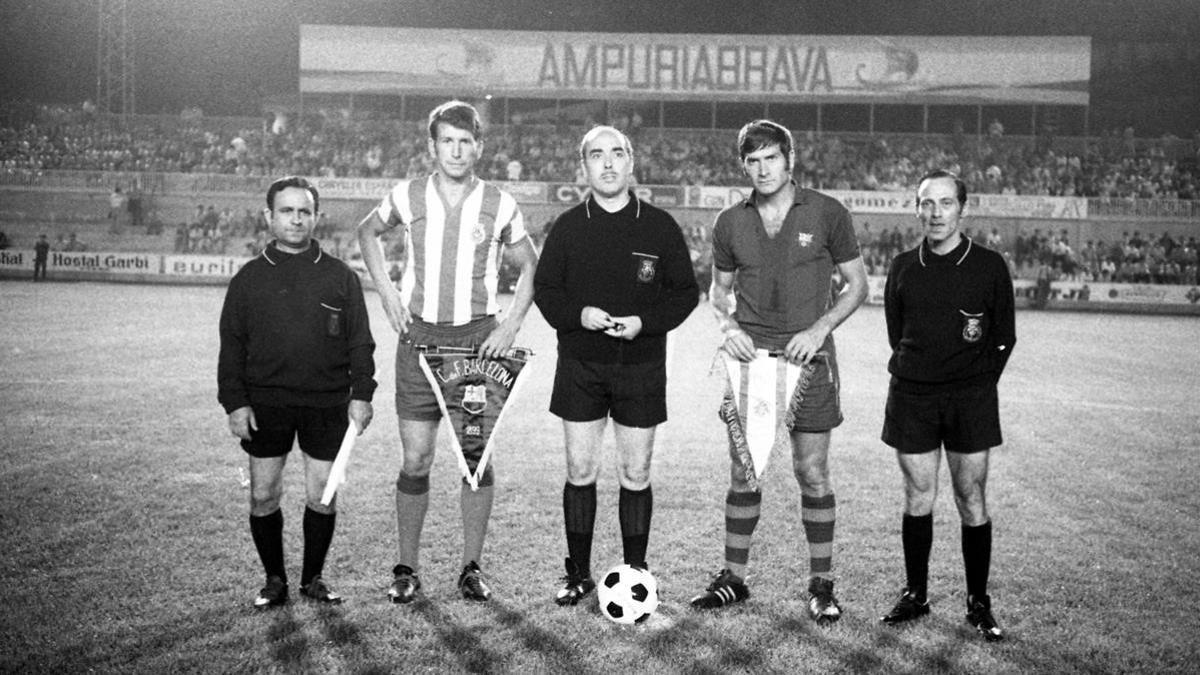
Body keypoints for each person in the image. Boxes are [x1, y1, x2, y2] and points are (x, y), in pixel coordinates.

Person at [356, 100, 539, 604]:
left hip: (477, 344)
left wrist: (512, 323)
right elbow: (366, 232)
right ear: (432, 146)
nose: (457, 151)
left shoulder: (499, 202)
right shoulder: (408, 194)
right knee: (416, 459)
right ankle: (406, 568)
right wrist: (388, 292)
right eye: (447, 141)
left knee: (474, 460)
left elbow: (530, 264)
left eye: (466, 141)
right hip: (418, 340)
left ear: (479, 147)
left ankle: (471, 568)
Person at [688, 120, 868, 623]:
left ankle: (822, 585)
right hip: (751, 365)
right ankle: (733, 579)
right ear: (743, 166)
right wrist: (728, 329)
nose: (762, 169)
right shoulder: (730, 221)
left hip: (809, 362)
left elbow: (857, 286)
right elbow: (718, 293)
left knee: (811, 473)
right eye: (752, 161)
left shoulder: (828, 212)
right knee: (744, 473)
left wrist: (818, 329)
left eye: (771, 158)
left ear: (790, 160)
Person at [533, 126, 698, 606]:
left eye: (617, 154)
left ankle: (635, 571)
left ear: (631, 163)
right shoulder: (567, 226)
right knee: (580, 469)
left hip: (641, 365)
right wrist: (578, 315)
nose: (607, 163)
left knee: (636, 472)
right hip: (582, 364)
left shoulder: (660, 225)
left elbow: (686, 293)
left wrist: (644, 322)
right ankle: (579, 573)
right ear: (583, 166)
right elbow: (547, 291)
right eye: (597, 155)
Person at [218, 176, 376, 609]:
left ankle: (313, 578)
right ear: (269, 216)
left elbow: (360, 342)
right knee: (263, 494)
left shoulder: (340, 276)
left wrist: (362, 395)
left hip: (326, 402)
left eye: (304, 211)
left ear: (316, 217)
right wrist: (235, 403)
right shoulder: (248, 280)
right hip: (265, 403)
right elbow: (231, 348)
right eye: (286, 211)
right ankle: (274, 580)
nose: (296, 219)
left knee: (322, 495)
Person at [878, 169, 1016, 641]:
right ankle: (916, 594)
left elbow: (1004, 335)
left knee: (970, 497)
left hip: (970, 399)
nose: (935, 213)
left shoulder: (989, 265)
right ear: (916, 208)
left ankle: (979, 603)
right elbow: (898, 334)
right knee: (918, 496)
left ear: (962, 207)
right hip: (912, 396)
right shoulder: (902, 265)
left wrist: (975, 384)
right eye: (926, 203)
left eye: (945, 203)